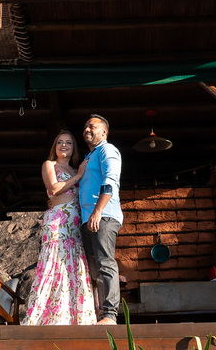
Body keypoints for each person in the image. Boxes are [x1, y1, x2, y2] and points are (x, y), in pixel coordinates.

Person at [21, 130, 98, 325]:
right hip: (57, 221)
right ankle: (46, 317)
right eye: (60, 142)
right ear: (54, 147)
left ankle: (71, 317)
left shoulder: (76, 170)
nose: (64, 145)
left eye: (69, 143)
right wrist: (79, 175)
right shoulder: (50, 165)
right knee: (54, 263)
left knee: (72, 266)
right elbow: (54, 189)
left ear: (74, 148)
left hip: (75, 224)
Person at [79, 114, 123, 325]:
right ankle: (99, 314)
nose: (87, 129)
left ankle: (110, 315)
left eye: (92, 126)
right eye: (85, 127)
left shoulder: (107, 150)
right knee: (94, 269)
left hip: (103, 215)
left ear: (104, 132)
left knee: (105, 263)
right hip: (88, 219)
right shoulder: (88, 158)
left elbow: (110, 180)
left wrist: (97, 211)